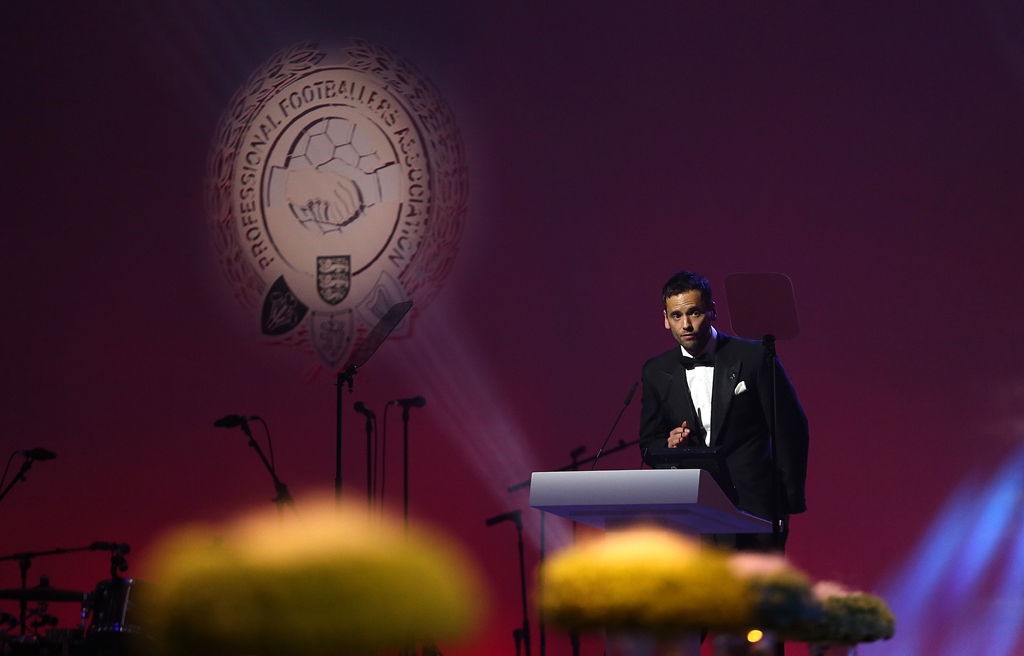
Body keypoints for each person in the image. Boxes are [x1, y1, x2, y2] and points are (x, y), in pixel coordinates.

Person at [639, 270, 809, 550]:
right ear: (666, 319)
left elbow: (790, 430)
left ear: (713, 311)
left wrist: (788, 501)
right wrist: (669, 446)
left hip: (755, 505)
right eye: (676, 316)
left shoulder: (754, 357)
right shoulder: (656, 371)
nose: (686, 325)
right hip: (693, 509)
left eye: (694, 313)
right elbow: (649, 444)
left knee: (756, 580)